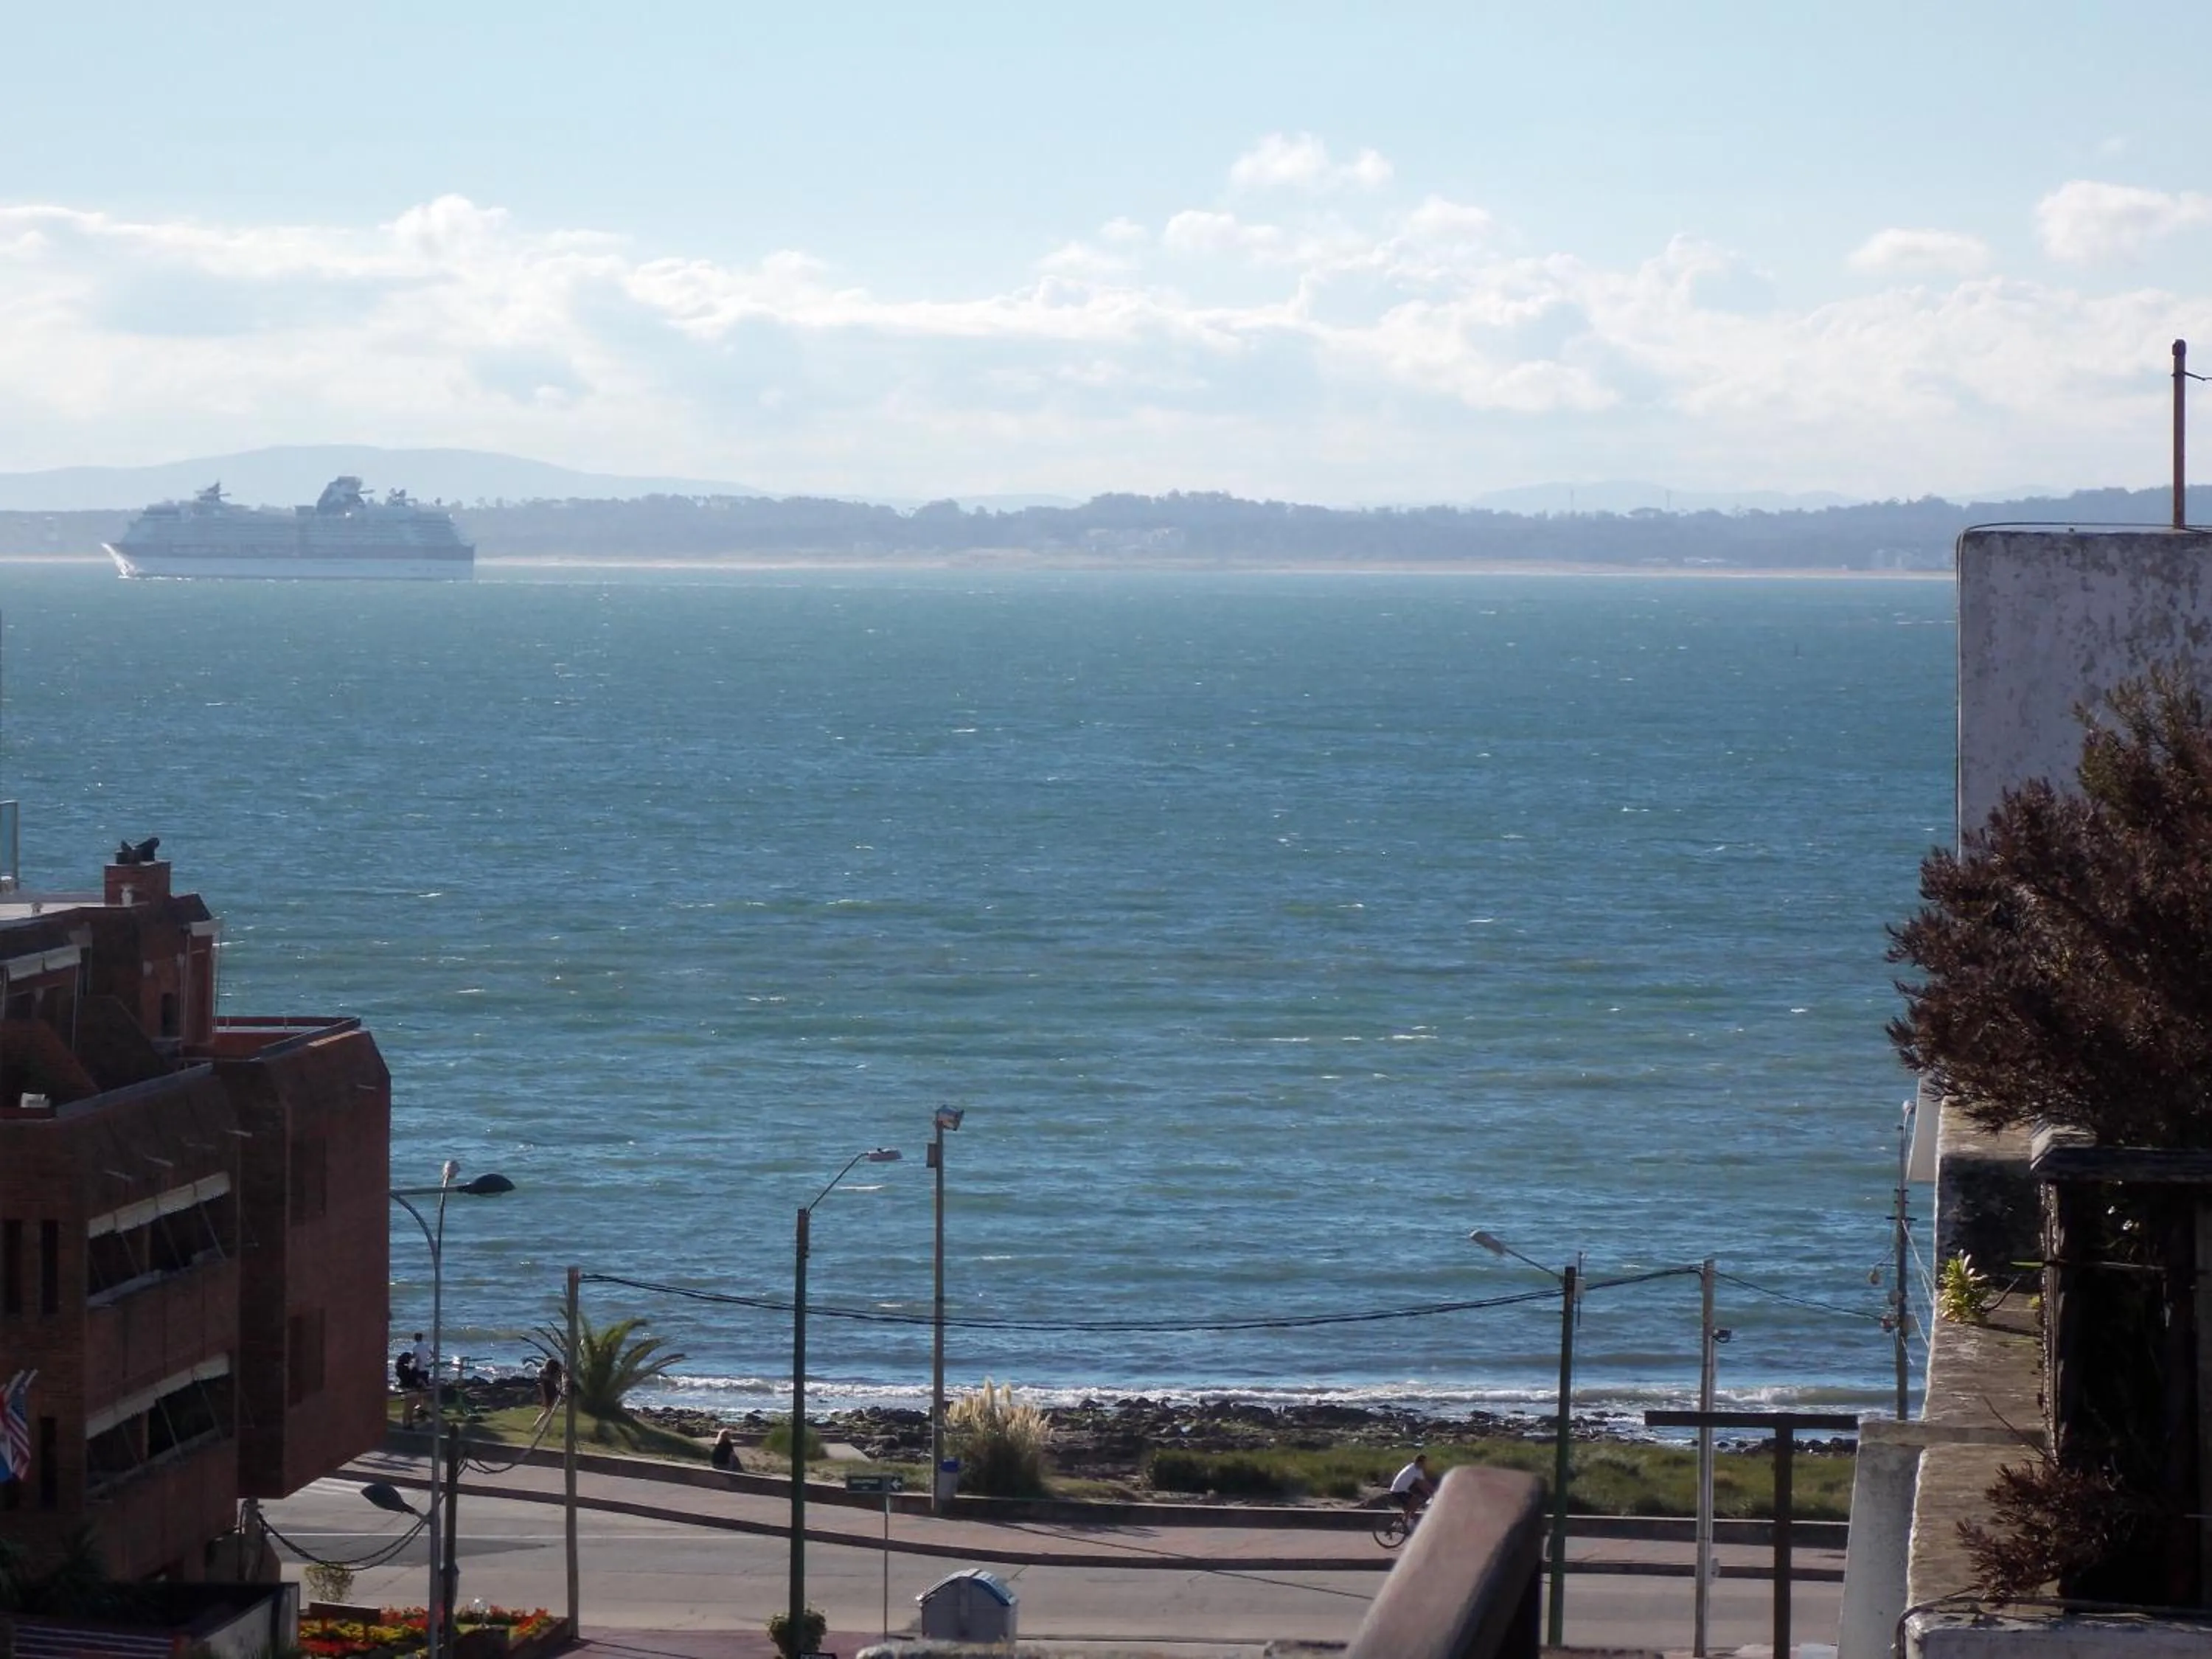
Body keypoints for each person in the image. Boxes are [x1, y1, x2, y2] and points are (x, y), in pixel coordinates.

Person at [1389, 1453, 1435, 1519]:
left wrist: (1432, 1492)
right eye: (1425, 1463)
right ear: (1420, 1462)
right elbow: (1421, 1484)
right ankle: (1410, 1518)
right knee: (1416, 1500)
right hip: (1398, 1491)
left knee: (1409, 1507)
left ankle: (1405, 1522)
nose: (1425, 1464)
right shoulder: (1414, 1470)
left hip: (1402, 1490)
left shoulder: (1416, 1468)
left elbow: (1424, 1483)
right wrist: (1431, 1494)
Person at [532, 1356, 564, 1432]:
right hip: (548, 1393)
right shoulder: (545, 1375)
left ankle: (546, 1428)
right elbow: (544, 1387)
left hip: (552, 1392)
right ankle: (538, 1426)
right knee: (548, 1411)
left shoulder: (546, 1374)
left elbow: (555, 1382)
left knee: (549, 1411)